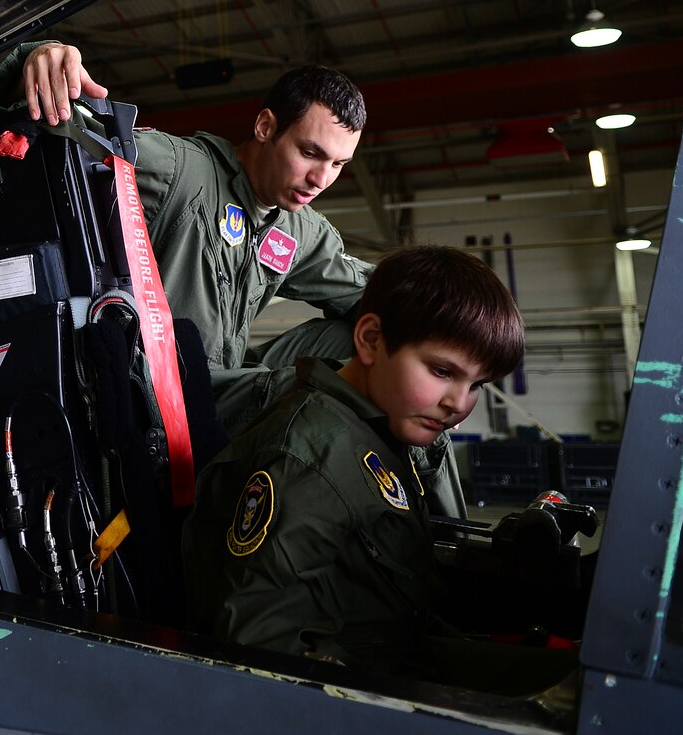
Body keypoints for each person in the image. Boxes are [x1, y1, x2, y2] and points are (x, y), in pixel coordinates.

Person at [179, 246, 542, 687]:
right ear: (371, 340)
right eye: (443, 371)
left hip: (402, 649)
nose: (458, 404)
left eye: (477, 385)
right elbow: (262, 643)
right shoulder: (312, 455)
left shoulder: (379, 433)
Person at [0, 40, 373, 374]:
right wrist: (37, 62)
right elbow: (63, 129)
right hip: (162, 393)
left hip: (229, 384)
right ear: (266, 127)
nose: (321, 179)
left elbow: (377, 295)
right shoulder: (179, 169)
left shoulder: (299, 230)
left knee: (370, 338)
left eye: (338, 164)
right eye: (309, 153)